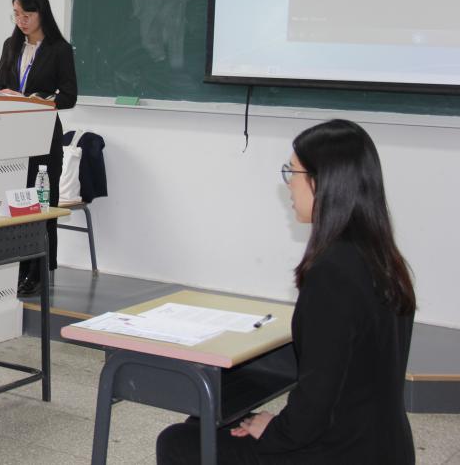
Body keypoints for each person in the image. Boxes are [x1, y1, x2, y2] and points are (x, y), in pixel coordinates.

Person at [156, 119, 416, 465]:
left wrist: (275, 431)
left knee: (178, 442)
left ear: (322, 182)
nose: (289, 184)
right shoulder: (384, 259)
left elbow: (316, 402)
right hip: (383, 445)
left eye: (292, 172)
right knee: (203, 423)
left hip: (338, 452)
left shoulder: (333, 274)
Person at [0, 0, 78, 296]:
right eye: (16, 14)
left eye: (26, 15)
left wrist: (42, 99)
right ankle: (15, 268)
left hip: (43, 134)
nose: (21, 21)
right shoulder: (10, 45)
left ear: (41, 13)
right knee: (15, 202)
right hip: (12, 135)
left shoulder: (59, 49)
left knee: (41, 203)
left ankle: (39, 270)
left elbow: (69, 95)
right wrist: (3, 93)